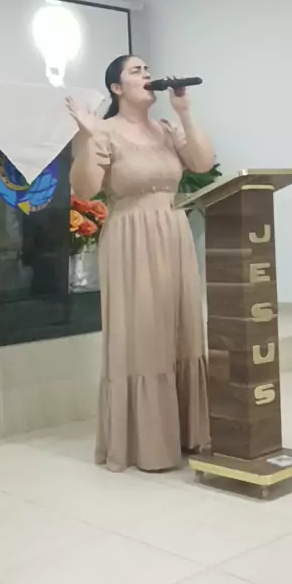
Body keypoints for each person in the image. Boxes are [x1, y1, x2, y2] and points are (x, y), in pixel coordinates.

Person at [67, 55, 214, 472]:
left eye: (148, 70)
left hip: (173, 232)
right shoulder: (103, 130)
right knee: (145, 333)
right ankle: (148, 443)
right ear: (116, 88)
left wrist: (184, 110)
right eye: (136, 71)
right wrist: (89, 138)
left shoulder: (166, 128)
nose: (147, 75)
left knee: (183, 328)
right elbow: (85, 189)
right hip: (130, 238)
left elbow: (203, 163)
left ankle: (187, 432)